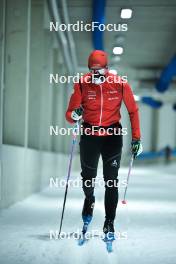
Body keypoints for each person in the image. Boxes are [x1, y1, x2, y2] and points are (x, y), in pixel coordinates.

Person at [65, 50, 142, 238]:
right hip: (90, 135)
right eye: (92, 71)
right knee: (88, 177)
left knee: (111, 180)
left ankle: (109, 222)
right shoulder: (82, 84)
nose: (95, 75)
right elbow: (69, 114)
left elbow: (133, 110)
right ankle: (89, 198)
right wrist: (74, 115)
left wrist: (136, 138)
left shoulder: (120, 84)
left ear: (107, 68)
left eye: (99, 71)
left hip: (112, 136)